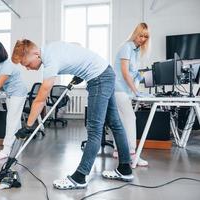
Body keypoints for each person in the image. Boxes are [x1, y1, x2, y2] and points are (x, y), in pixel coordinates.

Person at [11, 39, 134, 190]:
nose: (28, 69)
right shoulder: (51, 47)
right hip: (106, 72)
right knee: (115, 123)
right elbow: (76, 47)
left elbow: (40, 99)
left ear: (36, 54)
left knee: (95, 129)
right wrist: (81, 71)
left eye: (27, 64)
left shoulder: (50, 62)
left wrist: (28, 126)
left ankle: (80, 177)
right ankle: (125, 169)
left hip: (99, 79)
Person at [114, 22, 151, 167]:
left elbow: (133, 73)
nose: (142, 39)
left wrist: (144, 77)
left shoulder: (135, 51)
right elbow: (124, 72)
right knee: (130, 118)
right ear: (135, 34)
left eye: (145, 37)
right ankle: (132, 154)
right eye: (141, 35)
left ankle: (118, 150)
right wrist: (136, 91)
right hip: (118, 89)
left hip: (124, 90)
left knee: (122, 121)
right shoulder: (127, 47)